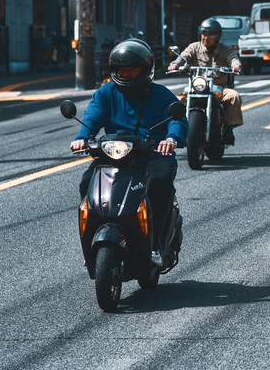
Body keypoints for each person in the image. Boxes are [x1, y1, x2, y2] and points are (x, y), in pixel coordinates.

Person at [72, 39, 188, 251]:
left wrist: (171, 139)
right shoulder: (106, 92)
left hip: (152, 155)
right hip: (115, 153)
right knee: (87, 182)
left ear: (144, 70)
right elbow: (93, 115)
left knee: (160, 182)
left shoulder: (160, 94)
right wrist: (82, 136)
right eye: (120, 69)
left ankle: (157, 242)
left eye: (131, 69)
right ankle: (92, 236)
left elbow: (177, 118)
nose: (124, 73)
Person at [168, 18, 244, 144]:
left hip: (219, 86)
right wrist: (175, 64)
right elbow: (183, 57)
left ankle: (229, 130)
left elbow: (233, 58)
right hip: (198, 86)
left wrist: (236, 66)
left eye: (210, 35)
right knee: (179, 100)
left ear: (217, 36)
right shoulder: (194, 47)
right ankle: (181, 128)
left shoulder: (226, 49)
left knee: (234, 96)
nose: (206, 38)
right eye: (204, 34)